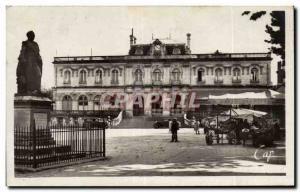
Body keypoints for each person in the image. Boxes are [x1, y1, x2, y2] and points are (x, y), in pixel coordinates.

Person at [16, 31, 43, 95]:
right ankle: (29, 90)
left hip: (35, 62)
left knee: (38, 75)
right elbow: (22, 52)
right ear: (28, 36)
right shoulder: (25, 43)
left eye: (34, 35)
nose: (33, 36)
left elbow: (38, 53)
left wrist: (39, 58)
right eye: (32, 35)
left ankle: (37, 89)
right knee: (28, 76)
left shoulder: (35, 44)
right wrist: (23, 60)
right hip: (28, 61)